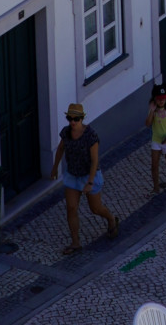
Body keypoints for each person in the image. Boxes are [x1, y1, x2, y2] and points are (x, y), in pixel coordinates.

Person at [50, 103, 120, 253]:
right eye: (70, 118)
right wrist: (55, 168)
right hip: (72, 175)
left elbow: (95, 160)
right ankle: (75, 242)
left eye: (75, 119)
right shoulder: (66, 132)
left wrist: (90, 182)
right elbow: (61, 149)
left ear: (82, 118)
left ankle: (111, 218)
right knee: (71, 208)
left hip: (89, 175)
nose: (72, 122)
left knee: (95, 208)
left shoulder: (90, 135)